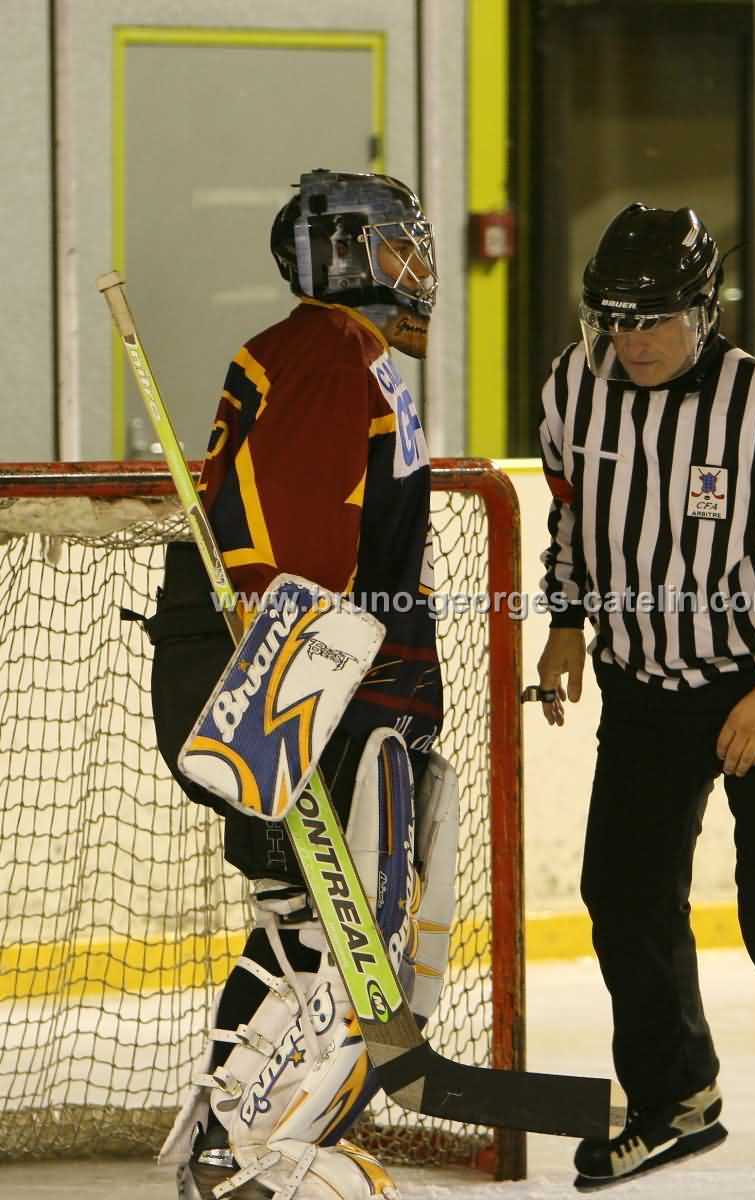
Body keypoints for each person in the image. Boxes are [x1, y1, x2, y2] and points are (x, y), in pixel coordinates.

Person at [534, 203, 755, 1200]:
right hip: (643, 687)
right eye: (614, 319)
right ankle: (673, 1100)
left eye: (652, 319)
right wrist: (565, 617)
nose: (631, 341)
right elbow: (570, 514)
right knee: (623, 896)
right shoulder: (572, 389)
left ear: (703, 310)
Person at [147, 170, 456, 1200]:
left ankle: (226, 1138)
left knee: (301, 918)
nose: (416, 267)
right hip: (313, 689)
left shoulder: (341, 356)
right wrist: (301, 700)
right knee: (335, 930)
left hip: (318, 685)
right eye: (397, 245)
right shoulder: (325, 356)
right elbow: (289, 554)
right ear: (347, 255)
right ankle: (252, 1150)